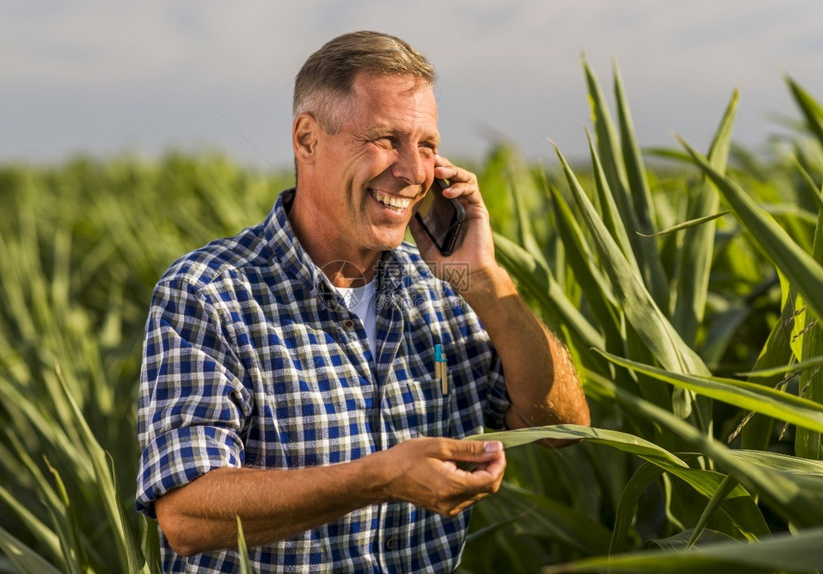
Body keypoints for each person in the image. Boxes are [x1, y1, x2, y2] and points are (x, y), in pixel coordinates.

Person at [136, 30, 590, 573]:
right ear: (307, 139)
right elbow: (186, 514)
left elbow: (563, 428)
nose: (415, 171)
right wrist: (379, 479)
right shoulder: (209, 292)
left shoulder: (444, 291)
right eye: (385, 139)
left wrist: (486, 281)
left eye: (426, 145)